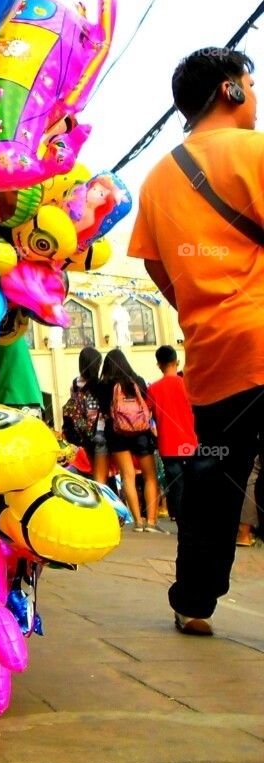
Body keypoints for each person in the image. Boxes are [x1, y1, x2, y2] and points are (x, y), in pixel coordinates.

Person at [128, 47, 264, 636]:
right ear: (231, 91)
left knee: (215, 477)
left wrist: (204, 306)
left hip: (210, 357)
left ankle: (194, 602)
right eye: (250, 86)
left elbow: (160, 273)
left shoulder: (157, 178)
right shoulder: (256, 152)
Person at [96, 349, 161, 532]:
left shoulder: (105, 385)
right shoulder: (137, 381)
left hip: (116, 433)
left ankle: (138, 521)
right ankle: (151, 521)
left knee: (128, 477)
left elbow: (104, 411)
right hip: (141, 432)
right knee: (150, 476)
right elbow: (147, 405)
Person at [148, 346, 198, 523]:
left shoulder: (153, 389)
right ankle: (194, 515)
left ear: (159, 365)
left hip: (167, 444)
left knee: (175, 483)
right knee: (192, 481)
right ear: (176, 362)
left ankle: (178, 516)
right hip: (190, 442)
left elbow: (147, 416)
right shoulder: (188, 384)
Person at [63, 347, 107, 483]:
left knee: (87, 472)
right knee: (101, 477)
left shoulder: (75, 384)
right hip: (99, 434)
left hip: (81, 434)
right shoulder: (100, 385)